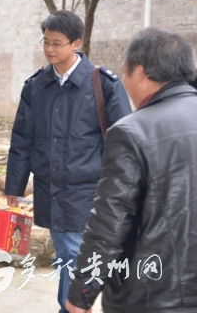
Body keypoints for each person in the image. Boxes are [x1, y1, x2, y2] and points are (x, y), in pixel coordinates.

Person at [5, 10, 132, 313]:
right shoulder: (36, 87)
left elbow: (125, 141)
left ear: (75, 43)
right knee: (67, 254)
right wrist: (15, 184)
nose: (49, 49)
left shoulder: (104, 85)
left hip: (90, 189)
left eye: (57, 43)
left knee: (73, 254)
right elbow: (22, 138)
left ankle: (70, 307)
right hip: (51, 189)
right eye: (46, 42)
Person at [65, 28, 197, 313]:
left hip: (152, 296)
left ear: (139, 72)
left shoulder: (131, 132)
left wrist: (82, 294)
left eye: (124, 72)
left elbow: (109, 223)